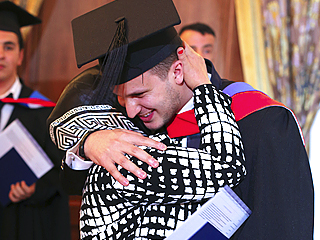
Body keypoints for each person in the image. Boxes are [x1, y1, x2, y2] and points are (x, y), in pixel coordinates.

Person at [48, 1, 313, 239]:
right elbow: (74, 186)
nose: (129, 110)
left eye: (141, 93)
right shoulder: (125, 129)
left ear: (178, 71)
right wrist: (88, 144)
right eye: (121, 97)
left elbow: (282, 227)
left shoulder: (262, 120)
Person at [179, 22, 314, 239]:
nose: (199, 57)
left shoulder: (256, 114)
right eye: (192, 49)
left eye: (207, 50)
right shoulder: (154, 116)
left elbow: (280, 210)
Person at [0, 2, 70, 240]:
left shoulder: (44, 112)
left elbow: (61, 176)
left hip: (22, 224)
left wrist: (35, 189)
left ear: (20, 55)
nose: (0, 54)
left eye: (8, 47)